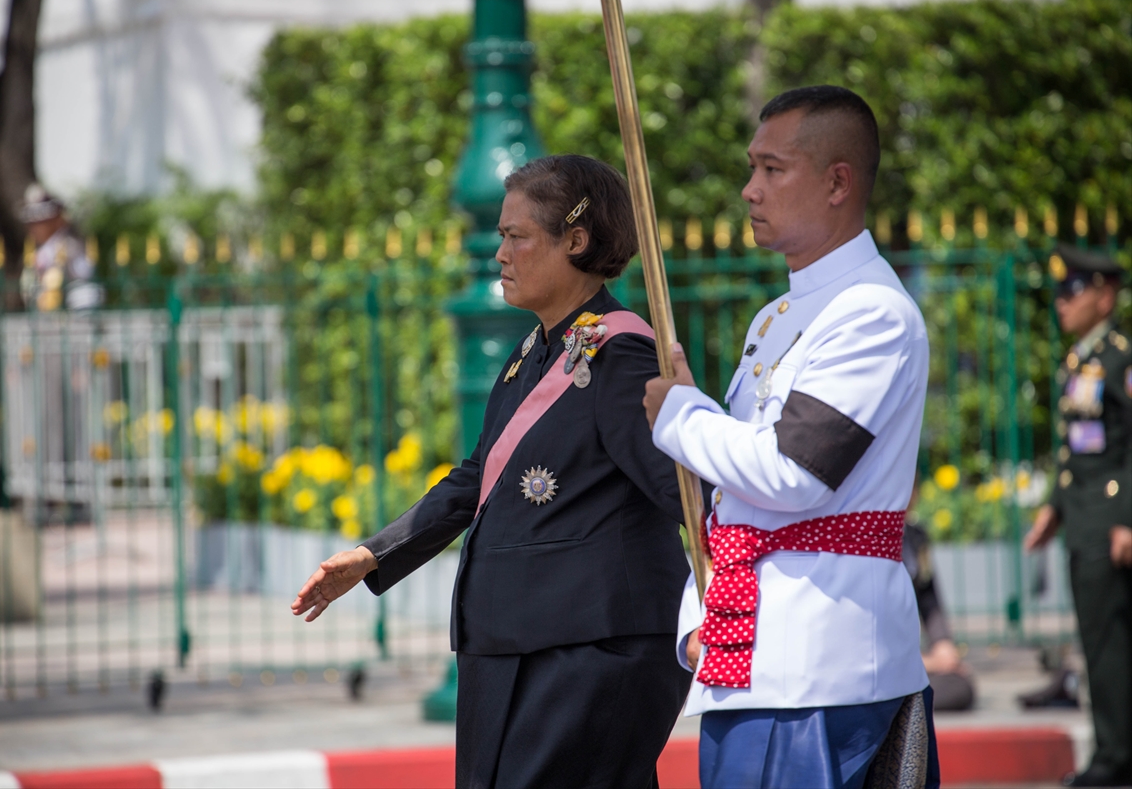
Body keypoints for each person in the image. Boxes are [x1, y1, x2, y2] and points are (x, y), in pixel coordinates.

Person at [292, 155, 692, 788]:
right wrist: (374, 554)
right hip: (515, 644)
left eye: (517, 236)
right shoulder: (535, 349)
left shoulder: (619, 353)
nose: (499, 253)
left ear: (577, 241)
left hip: (592, 647)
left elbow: (684, 495)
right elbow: (478, 476)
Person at [644, 85, 939, 789]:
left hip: (824, 670)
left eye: (773, 170)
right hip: (762, 656)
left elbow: (792, 473)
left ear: (839, 182)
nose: (750, 190)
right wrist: (698, 616)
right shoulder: (777, 316)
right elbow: (733, 502)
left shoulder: (871, 313)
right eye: (753, 168)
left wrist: (682, 418)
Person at [1024, 244, 1131, 788]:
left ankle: (1116, 759)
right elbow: (1078, 451)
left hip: (1111, 527)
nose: (1063, 304)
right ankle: (1114, 751)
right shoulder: (1080, 360)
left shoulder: (1119, 359)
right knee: (1099, 642)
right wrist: (1052, 511)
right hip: (1085, 521)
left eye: (1074, 292)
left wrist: (1127, 518)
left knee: (1111, 645)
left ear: (1105, 295)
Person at [901, 495, 974, 712]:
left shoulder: (916, 536)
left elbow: (928, 595)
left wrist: (943, 645)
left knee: (960, 686)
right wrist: (928, 662)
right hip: (884, 662)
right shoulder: (866, 538)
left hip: (912, 661)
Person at [20, 183, 103, 311]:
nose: (35, 228)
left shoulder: (70, 243)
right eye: (33, 223)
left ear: (57, 220)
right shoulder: (38, 249)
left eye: (42, 222)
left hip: (75, 305)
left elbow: (84, 273)